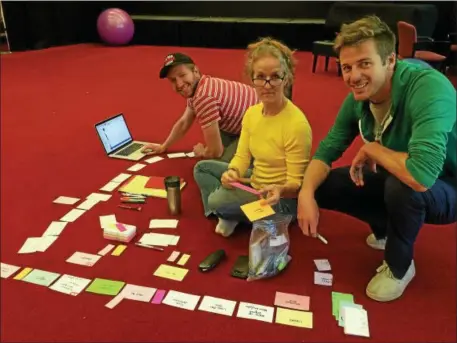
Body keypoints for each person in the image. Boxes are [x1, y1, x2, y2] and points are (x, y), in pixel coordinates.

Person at [297, 16, 456, 302]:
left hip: (446, 185)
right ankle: (386, 228)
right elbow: (326, 151)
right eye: (346, 67)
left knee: (402, 186)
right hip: (402, 173)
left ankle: (399, 266)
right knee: (326, 183)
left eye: (364, 63)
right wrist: (306, 194)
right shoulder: (358, 99)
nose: (353, 76)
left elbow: (421, 176)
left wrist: (372, 149)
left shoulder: (429, 88)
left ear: (390, 60)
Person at [194, 37, 312, 237]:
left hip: (281, 200)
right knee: (202, 168)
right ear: (252, 79)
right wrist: (232, 171)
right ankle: (233, 214)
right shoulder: (252, 113)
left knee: (216, 200)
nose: (267, 85)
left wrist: (279, 189)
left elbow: (296, 184)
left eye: (275, 76)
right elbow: (241, 156)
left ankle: (228, 214)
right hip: (255, 184)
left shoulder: (297, 124)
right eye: (260, 77)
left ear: (287, 78)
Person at [141, 53, 260, 162]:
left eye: (182, 75)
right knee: (217, 131)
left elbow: (215, 152)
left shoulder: (203, 97)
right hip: (256, 123)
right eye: (173, 80)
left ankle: (258, 168)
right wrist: (164, 146)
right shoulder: (202, 85)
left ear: (196, 71)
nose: (179, 84)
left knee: (205, 168)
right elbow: (183, 123)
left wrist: (202, 152)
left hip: (263, 132)